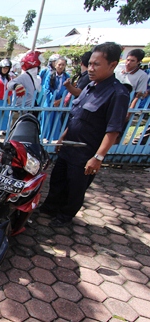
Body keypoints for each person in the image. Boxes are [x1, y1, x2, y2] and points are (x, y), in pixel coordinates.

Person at [39, 42, 130, 227]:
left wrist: (98, 157)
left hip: (85, 152)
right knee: (58, 178)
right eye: (90, 63)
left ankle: (65, 216)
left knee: (76, 187)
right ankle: (50, 207)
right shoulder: (90, 87)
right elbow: (76, 116)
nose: (91, 68)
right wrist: (63, 137)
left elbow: (113, 130)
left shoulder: (117, 94)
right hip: (69, 146)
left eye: (96, 64)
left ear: (112, 65)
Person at [41, 57, 71, 141]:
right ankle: (44, 137)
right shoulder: (50, 75)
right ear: (55, 65)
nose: (61, 67)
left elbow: (67, 90)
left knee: (57, 121)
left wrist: (60, 100)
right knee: (47, 120)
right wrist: (52, 99)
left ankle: (54, 138)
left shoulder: (67, 77)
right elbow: (46, 89)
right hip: (49, 101)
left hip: (60, 102)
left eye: (63, 65)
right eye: (59, 64)